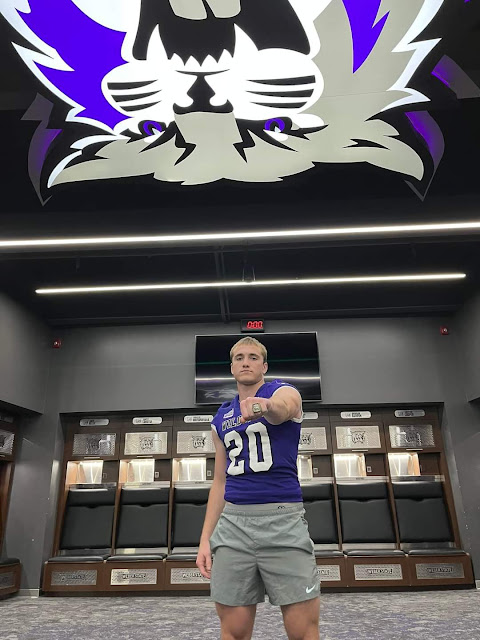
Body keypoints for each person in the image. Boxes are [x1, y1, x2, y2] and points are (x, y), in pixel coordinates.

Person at [196, 336, 320, 640]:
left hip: (283, 520)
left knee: (302, 629)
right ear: (232, 367)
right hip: (233, 525)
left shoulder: (281, 391)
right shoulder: (221, 418)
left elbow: (285, 408)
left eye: (253, 357)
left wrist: (266, 407)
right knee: (233, 630)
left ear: (264, 366)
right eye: (239, 358)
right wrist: (205, 539)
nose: (246, 362)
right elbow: (220, 481)